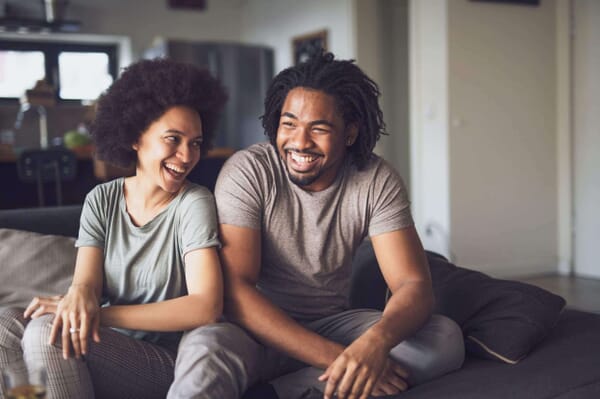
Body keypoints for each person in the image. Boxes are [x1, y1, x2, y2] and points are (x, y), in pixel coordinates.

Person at [168, 51, 465, 399]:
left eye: (319, 128)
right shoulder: (248, 170)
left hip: (330, 324)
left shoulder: (376, 179)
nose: (299, 142)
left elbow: (412, 282)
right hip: (249, 331)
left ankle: (277, 392)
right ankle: (339, 378)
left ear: (350, 133)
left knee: (443, 339)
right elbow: (235, 292)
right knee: (203, 348)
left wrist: (374, 344)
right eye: (289, 123)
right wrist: (341, 359)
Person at [0, 58, 227, 399]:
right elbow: (87, 282)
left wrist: (98, 314)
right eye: (173, 139)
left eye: (195, 142)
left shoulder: (194, 203)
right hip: (102, 341)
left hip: (164, 360)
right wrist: (79, 297)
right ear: (136, 138)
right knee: (6, 324)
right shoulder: (101, 199)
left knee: (51, 329)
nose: (186, 155)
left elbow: (206, 306)